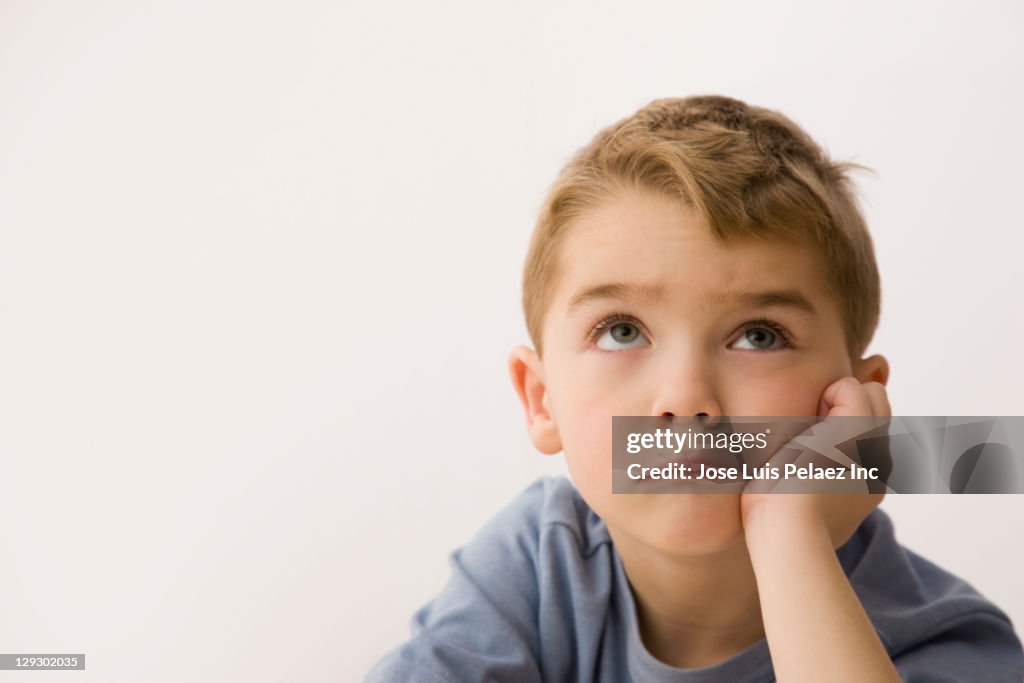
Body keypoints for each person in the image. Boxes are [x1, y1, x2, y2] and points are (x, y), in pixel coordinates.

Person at [365, 95, 1024, 681]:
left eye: (759, 336)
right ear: (541, 399)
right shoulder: (537, 563)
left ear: (858, 412)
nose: (684, 397)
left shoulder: (949, 640)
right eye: (622, 331)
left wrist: (788, 531)